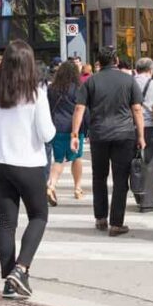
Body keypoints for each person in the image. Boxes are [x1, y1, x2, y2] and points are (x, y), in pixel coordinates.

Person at [0, 40, 55, 299]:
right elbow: (47, 134)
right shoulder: (36, 94)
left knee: (6, 222)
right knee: (38, 216)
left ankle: (8, 279)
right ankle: (21, 268)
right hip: (28, 162)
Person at [70, 46, 145, 236]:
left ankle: (101, 218)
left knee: (99, 177)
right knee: (121, 179)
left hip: (99, 134)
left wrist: (74, 134)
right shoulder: (128, 80)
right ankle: (116, 223)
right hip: (124, 134)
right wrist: (141, 136)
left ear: (99, 62)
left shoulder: (91, 81)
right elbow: (137, 109)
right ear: (116, 61)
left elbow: (79, 108)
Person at [46, 60, 87, 205]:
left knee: (58, 159)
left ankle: (51, 185)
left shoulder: (51, 88)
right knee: (77, 157)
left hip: (57, 127)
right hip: (74, 128)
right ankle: (77, 188)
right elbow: (82, 109)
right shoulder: (79, 88)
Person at [133, 58, 153, 213]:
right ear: (151, 70)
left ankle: (138, 195)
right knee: (152, 163)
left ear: (136, 69)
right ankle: (147, 202)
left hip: (131, 127)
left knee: (134, 162)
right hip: (152, 127)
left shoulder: (130, 82)